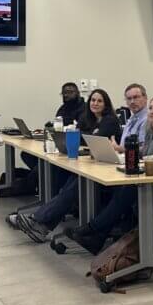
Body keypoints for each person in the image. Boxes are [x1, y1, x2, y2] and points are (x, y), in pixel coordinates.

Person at [72, 97, 153, 255]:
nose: (152, 112)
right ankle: (96, 237)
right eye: (151, 108)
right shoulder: (151, 130)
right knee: (124, 190)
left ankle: (92, 230)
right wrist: (121, 151)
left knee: (128, 191)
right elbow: (143, 154)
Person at [10, 88, 121, 241]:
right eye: (93, 100)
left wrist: (84, 136)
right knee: (65, 181)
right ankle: (39, 225)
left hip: (107, 170)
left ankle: (38, 222)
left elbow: (92, 139)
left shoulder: (110, 120)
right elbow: (80, 136)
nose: (95, 103)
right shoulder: (87, 118)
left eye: (99, 101)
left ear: (106, 104)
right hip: (92, 164)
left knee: (73, 185)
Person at [114, 83, 149, 153]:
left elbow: (143, 149)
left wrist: (119, 148)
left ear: (145, 98)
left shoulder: (148, 119)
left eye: (136, 97)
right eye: (129, 99)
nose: (132, 102)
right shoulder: (132, 118)